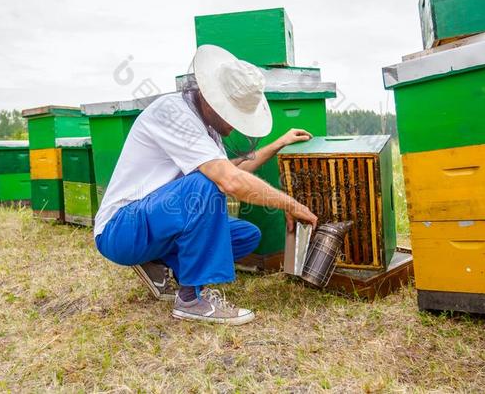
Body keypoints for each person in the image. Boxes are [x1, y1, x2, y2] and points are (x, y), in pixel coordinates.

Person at [94, 44, 318, 326]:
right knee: (206, 183)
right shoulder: (172, 112)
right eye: (234, 114)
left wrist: (276, 145)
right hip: (119, 229)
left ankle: (158, 262)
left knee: (245, 235)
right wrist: (290, 204)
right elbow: (227, 179)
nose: (237, 125)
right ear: (213, 101)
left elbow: (235, 170)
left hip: (153, 223)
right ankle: (191, 300)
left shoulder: (206, 128)